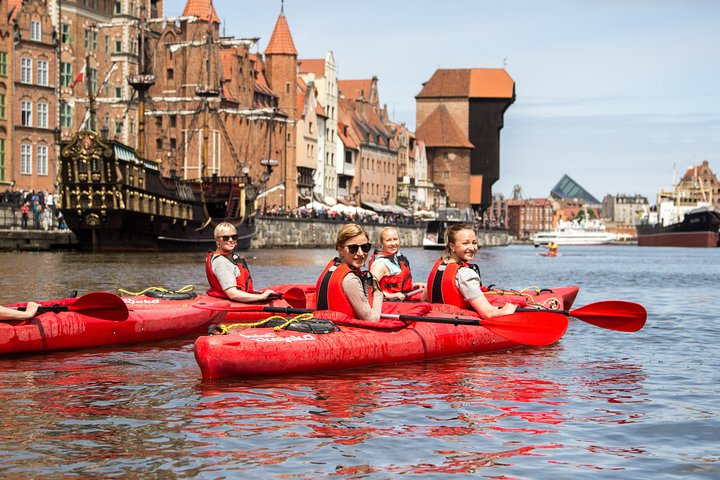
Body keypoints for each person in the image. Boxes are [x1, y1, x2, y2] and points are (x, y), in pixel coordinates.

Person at [426, 223, 516, 319]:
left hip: (436, 317)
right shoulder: (465, 274)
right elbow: (488, 313)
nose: (472, 248)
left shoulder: (440, 264)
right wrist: (506, 310)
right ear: (452, 246)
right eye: (465, 243)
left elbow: (425, 298)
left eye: (474, 242)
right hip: (455, 323)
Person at [315, 223, 383, 321]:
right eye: (353, 248)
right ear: (340, 250)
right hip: (345, 332)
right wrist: (378, 293)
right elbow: (372, 320)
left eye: (365, 247)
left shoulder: (333, 267)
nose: (360, 253)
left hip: (329, 325)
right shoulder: (350, 280)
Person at [205, 222, 275, 302]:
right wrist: (262, 297)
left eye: (234, 237)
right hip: (231, 302)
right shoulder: (222, 263)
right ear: (217, 241)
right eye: (226, 238)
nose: (231, 240)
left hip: (232, 299)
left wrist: (260, 293)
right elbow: (233, 294)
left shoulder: (233, 257)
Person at [368, 226, 426, 301]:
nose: (393, 243)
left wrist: (415, 285)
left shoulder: (395, 259)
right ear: (381, 243)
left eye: (395, 239)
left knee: (427, 290)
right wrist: (391, 295)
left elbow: (398, 285)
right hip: (388, 305)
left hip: (400, 300)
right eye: (388, 240)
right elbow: (368, 288)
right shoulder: (380, 265)